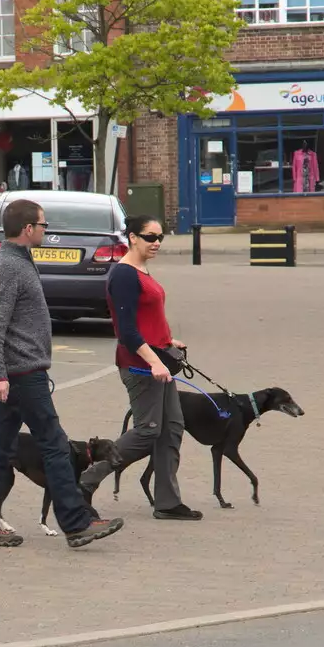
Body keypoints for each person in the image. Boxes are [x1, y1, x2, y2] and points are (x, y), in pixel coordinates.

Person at [0, 199, 125, 550]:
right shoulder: (7, 266)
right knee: (54, 445)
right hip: (21, 374)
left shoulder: (19, 261)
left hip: (24, 370)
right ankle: (77, 522)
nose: (47, 231)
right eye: (43, 225)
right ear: (27, 229)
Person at [79, 215, 200, 521]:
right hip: (141, 367)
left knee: (171, 430)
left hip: (159, 361)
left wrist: (168, 340)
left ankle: (168, 502)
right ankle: (85, 481)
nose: (156, 242)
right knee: (148, 432)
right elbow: (127, 332)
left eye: (160, 237)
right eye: (150, 237)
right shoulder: (123, 275)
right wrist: (156, 361)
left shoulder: (142, 269)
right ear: (132, 237)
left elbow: (147, 318)